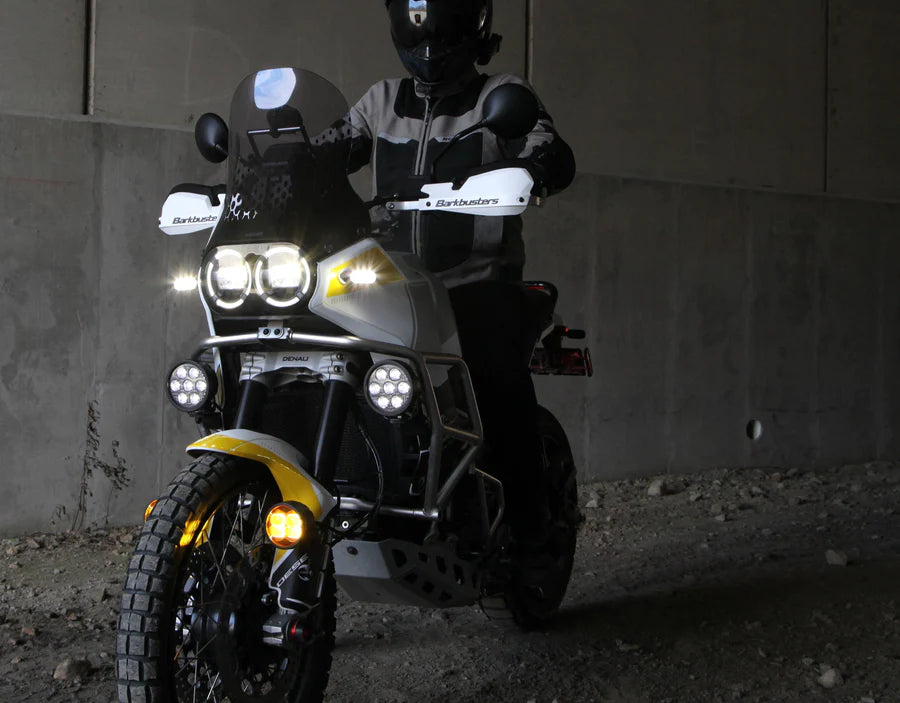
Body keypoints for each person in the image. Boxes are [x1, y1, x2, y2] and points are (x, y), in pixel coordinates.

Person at [339, 0, 576, 549]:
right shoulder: (380, 101)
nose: (428, 39)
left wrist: (535, 167)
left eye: (444, 22)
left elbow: (548, 148)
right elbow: (332, 150)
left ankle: (531, 529)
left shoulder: (500, 97)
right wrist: (287, 159)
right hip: (390, 287)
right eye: (417, 20)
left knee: (492, 376)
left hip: (476, 281)